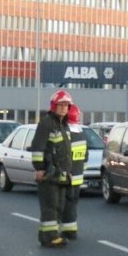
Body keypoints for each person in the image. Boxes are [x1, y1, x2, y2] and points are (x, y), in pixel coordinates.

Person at [30, 90, 74, 247]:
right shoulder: (46, 123)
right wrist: (40, 168)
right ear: (54, 106)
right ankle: (50, 237)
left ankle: (47, 235)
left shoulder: (63, 125)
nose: (63, 108)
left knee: (58, 206)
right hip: (49, 173)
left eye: (66, 105)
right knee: (50, 206)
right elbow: (37, 148)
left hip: (61, 174)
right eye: (60, 105)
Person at [61, 104, 86, 240]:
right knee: (73, 204)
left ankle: (69, 231)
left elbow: (63, 155)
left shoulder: (66, 133)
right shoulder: (81, 132)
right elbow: (85, 156)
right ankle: (70, 228)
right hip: (78, 176)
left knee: (67, 204)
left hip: (68, 175)